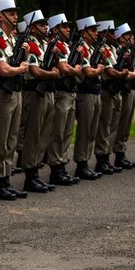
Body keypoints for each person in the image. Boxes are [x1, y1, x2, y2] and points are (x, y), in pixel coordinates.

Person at [0, 0, 29, 201]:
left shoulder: (12, 39)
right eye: (11, 14)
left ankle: (6, 179)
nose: (16, 17)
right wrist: (20, 69)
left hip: (15, 91)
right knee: (1, 139)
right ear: (0, 16)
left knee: (11, 139)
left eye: (15, 13)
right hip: (2, 93)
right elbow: (3, 69)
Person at [18, 10, 60, 193]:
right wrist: (52, 74)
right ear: (33, 28)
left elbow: (52, 65)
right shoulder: (32, 44)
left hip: (47, 91)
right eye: (42, 24)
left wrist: (56, 57)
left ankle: (35, 171)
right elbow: (35, 71)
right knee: (33, 135)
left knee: (43, 134)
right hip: (35, 92)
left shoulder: (45, 44)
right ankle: (30, 175)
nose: (46, 27)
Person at [42, 13, 82, 185]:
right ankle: (56, 168)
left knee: (66, 131)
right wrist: (77, 69)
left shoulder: (66, 45)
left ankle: (62, 164)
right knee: (58, 132)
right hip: (61, 91)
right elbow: (64, 69)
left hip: (69, 91)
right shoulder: (55, 44)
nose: (68, 30)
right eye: (64, 27)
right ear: (55, 29)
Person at [73, 16, 106, 180]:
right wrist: (100, 68)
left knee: (92, 130)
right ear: (83, 32)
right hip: (85, 93)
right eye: (93, 30)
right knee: (85, 130)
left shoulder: (93, 49)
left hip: (95, 92)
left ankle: (86, 160)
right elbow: (89, 72)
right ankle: (81, 163)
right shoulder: (82, 49)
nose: (97, 33)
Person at [95, 20, 129, 175]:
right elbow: (111, 71)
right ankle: (102, 159)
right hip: (106, 91)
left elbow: (120, 68)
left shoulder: (113, 49)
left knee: (113, 125)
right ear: (103, 34)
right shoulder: (102, 49)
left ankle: (107, 157)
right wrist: (123, 74)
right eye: (111, 32)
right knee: (105, 126)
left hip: (115, 91)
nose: (115, 35)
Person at [113, 23, 135, 169]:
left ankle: (121, 152)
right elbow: (125, 71)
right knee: (121, 121)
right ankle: (118, 153)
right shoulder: (118, 51)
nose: (131, 38)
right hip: (123, 88)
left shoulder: (131, 50)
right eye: (127, 35)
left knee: (127, 123)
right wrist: (134, 73)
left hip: (131, 88)